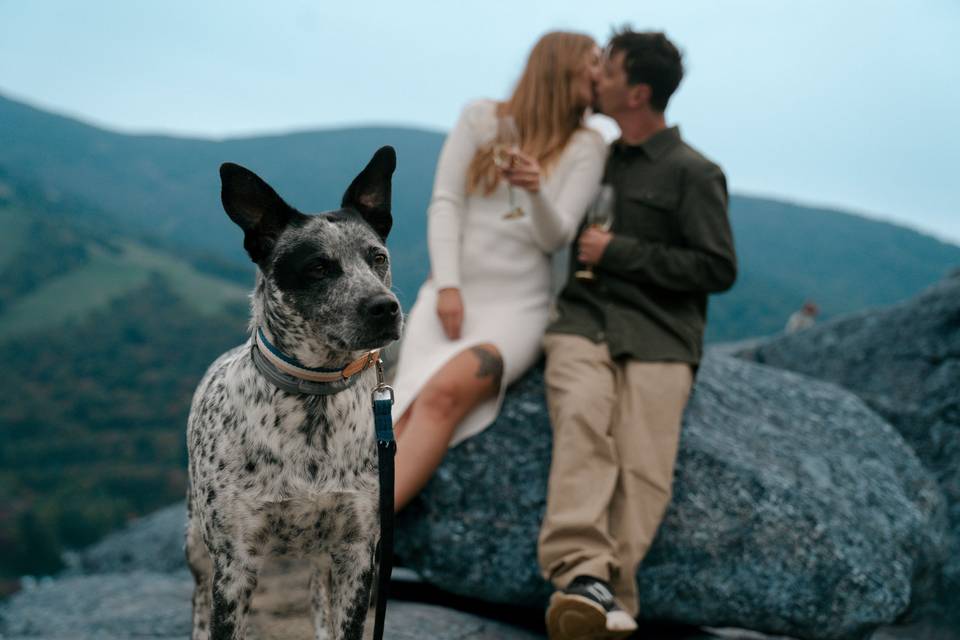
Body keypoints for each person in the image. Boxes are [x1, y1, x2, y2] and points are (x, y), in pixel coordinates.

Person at [538, 29, 738, 639]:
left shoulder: (694, 172)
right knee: (581, 420)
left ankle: (607, 600)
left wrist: (620, 251)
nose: (596, 78)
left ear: (637, 92)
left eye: (610, 71)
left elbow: (717, 269)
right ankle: (582, 578)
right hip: (581, 321)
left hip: (660, 335)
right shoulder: (591, 153)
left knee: (645, 463)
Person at [390, 31, 608, 511]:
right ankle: (349, 535)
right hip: (453, 292)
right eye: (594, 61)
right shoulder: (480, 118)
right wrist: (448, 286)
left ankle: (364, 530)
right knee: (401, 405)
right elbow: (446, 203)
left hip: (519, 307)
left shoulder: (588, 145)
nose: (602, 71)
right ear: (561, 65)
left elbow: (556, 238)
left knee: (444, 393)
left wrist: (534, 191)